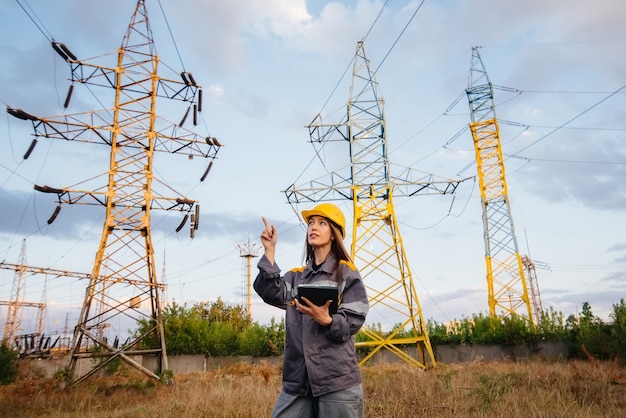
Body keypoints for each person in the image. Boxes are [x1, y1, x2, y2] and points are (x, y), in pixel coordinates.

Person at [254, 203, 369, 418]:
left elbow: (355, 318)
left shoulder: (346, 273)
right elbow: (270, 291)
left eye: (322, 223)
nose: (313, 227)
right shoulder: (296, 277)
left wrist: (328, 320)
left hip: (336, 381)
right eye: (311, 223)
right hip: (298, 381)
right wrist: (269, 251)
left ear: (334, 233)